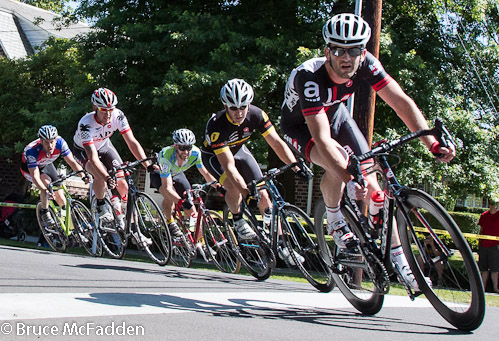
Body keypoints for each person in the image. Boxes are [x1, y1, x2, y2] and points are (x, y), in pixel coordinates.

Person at [280, 13, 455, 290]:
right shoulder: (309, 77)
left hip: (336, 114)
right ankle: (335, 219)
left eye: (354, 50)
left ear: (364, 51)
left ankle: (403, 266)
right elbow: (322, 139)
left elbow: (400, 102)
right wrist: (350, 179)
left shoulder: (368, 65)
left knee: (375, 185)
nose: (346, 58)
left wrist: (431, 142)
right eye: (338, 50)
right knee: (338, 159)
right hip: (301, 126)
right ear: (327, 51)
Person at [202, 78, 310, 265]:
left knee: (264, 194)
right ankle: (237, 219)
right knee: (232, 185)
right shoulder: (217, 126)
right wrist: (246, 193)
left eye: (243, 106)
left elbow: (276, 142)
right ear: (226, 106)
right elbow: (229, 166)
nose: (239, 112)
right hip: (215, 156)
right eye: (233, 108)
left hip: (240, 150)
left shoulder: (258, 115)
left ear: (249, 103)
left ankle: (282, 245)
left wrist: (295, 166)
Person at [73, 88, 156, 244]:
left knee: (123, 184)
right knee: (101, 177)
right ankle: (101, 203)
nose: (108, 114)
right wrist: (106, 176)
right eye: (104, 110)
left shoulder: (118, 115)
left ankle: (132, 227)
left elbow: (132, 142)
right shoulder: (85, 124)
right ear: (94, 107)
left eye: (111, 109)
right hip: (83, 151)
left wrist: (148, 166)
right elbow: (92, 157)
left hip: (105, 146)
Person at [150, 128, 217, 238]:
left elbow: (205, 173)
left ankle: (200, 243)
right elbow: (167, 187)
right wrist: (181, 203)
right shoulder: (166, 156)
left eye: (188, 147)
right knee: (169, 197)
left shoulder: (195, 153)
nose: (186, 152)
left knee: (192, 210)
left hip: (177, 174)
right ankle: (170, 222)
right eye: (182, 148)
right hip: (159, 174)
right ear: (176, 146)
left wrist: (218, 186)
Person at [21, 125, 87, 227]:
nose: (50, 145)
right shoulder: (32, 151)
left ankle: (70, 228)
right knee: (47, 183)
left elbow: (72, 163)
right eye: (46, 142)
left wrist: (83, 176)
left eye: (52, 142)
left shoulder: (60, 142)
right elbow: (35, 176)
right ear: (41, 141)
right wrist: (45, 190)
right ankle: (45, 212)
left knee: (60, 196)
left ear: (56, 140)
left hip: (46, 164)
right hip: (30, 170)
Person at [478, 199, 499, 293]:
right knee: (484, 268)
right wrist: (479, 241)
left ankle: (495, 288)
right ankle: (482, 288)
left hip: (495, 246)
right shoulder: (484, 215)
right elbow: (481, 229)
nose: (492, 206)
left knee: (495, 268)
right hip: (483, 246)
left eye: (494, 204)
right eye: (491, 203)